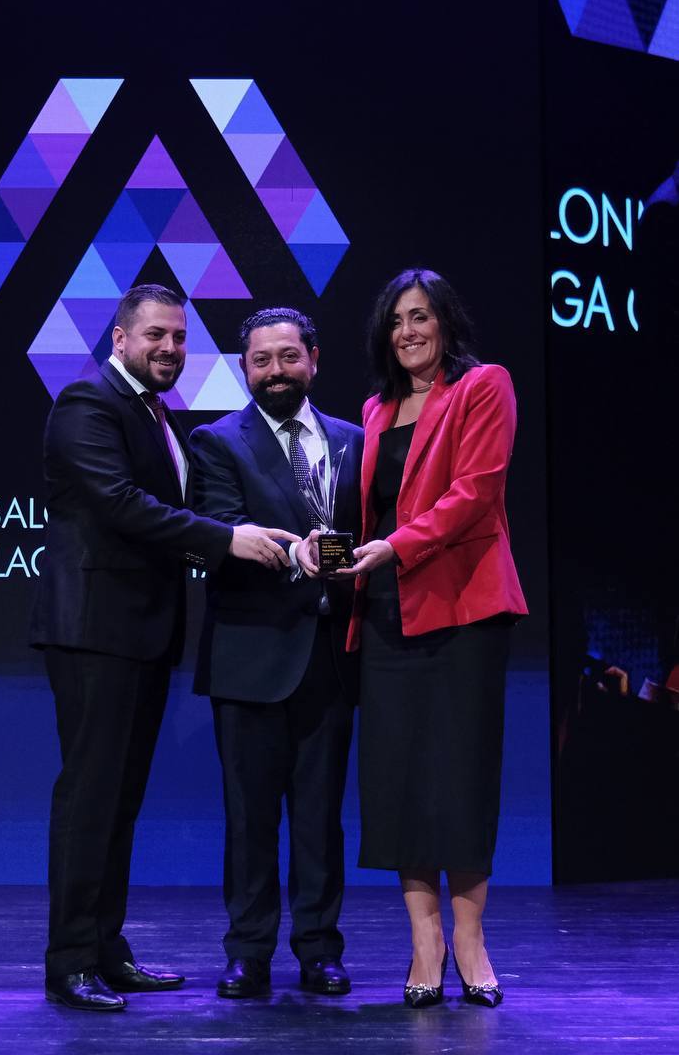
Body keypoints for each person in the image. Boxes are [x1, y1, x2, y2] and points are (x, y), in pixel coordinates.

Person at [30, 284, 298, 1013]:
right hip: (93, 631)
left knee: (117, 802)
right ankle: (69, 962)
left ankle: (105, 950)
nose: (169, 349)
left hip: (139, 635)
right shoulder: (86, 404)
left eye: (178, 338)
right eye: (155, 336)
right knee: (89, 799)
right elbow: (119, 504)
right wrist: (225, 538)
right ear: (119, 339)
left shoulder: (152, 413)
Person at [322, 269, 527, 1008]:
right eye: (396, 321)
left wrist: (393, 548)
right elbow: (365, 515)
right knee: (399, 782)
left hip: (464, 610)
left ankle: (470, 941)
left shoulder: (482, 387)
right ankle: (424, 943)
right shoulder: (375, 410)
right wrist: (334, 552)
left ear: (444, 322)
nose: (407, 332)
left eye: (420, 317)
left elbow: (473, 495)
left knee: (461, 779)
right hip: (385, 615)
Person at [190, 308, 362, 999]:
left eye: (287, 357)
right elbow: (222, 530)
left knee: (320, 817)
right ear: (245, 368)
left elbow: (367, 530)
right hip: (250, 656)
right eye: (260, 361)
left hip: (329, 653)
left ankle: (319, 949)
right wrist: (294, 554)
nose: (274, 372)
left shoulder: (354, 438)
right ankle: (248, 951)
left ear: (313, 359)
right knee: (250, 816)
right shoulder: (216, 442)